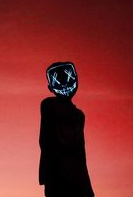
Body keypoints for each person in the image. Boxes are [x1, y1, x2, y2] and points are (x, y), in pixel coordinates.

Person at [39, 61, 94, 197]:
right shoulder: (49, 104)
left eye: (69, 78)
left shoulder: (79, 115)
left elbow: (81, 149)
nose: (64, 84)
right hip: (57, 173)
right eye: (57, 81)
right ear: (49, 87)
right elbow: (45, 141)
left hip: (79, 175)